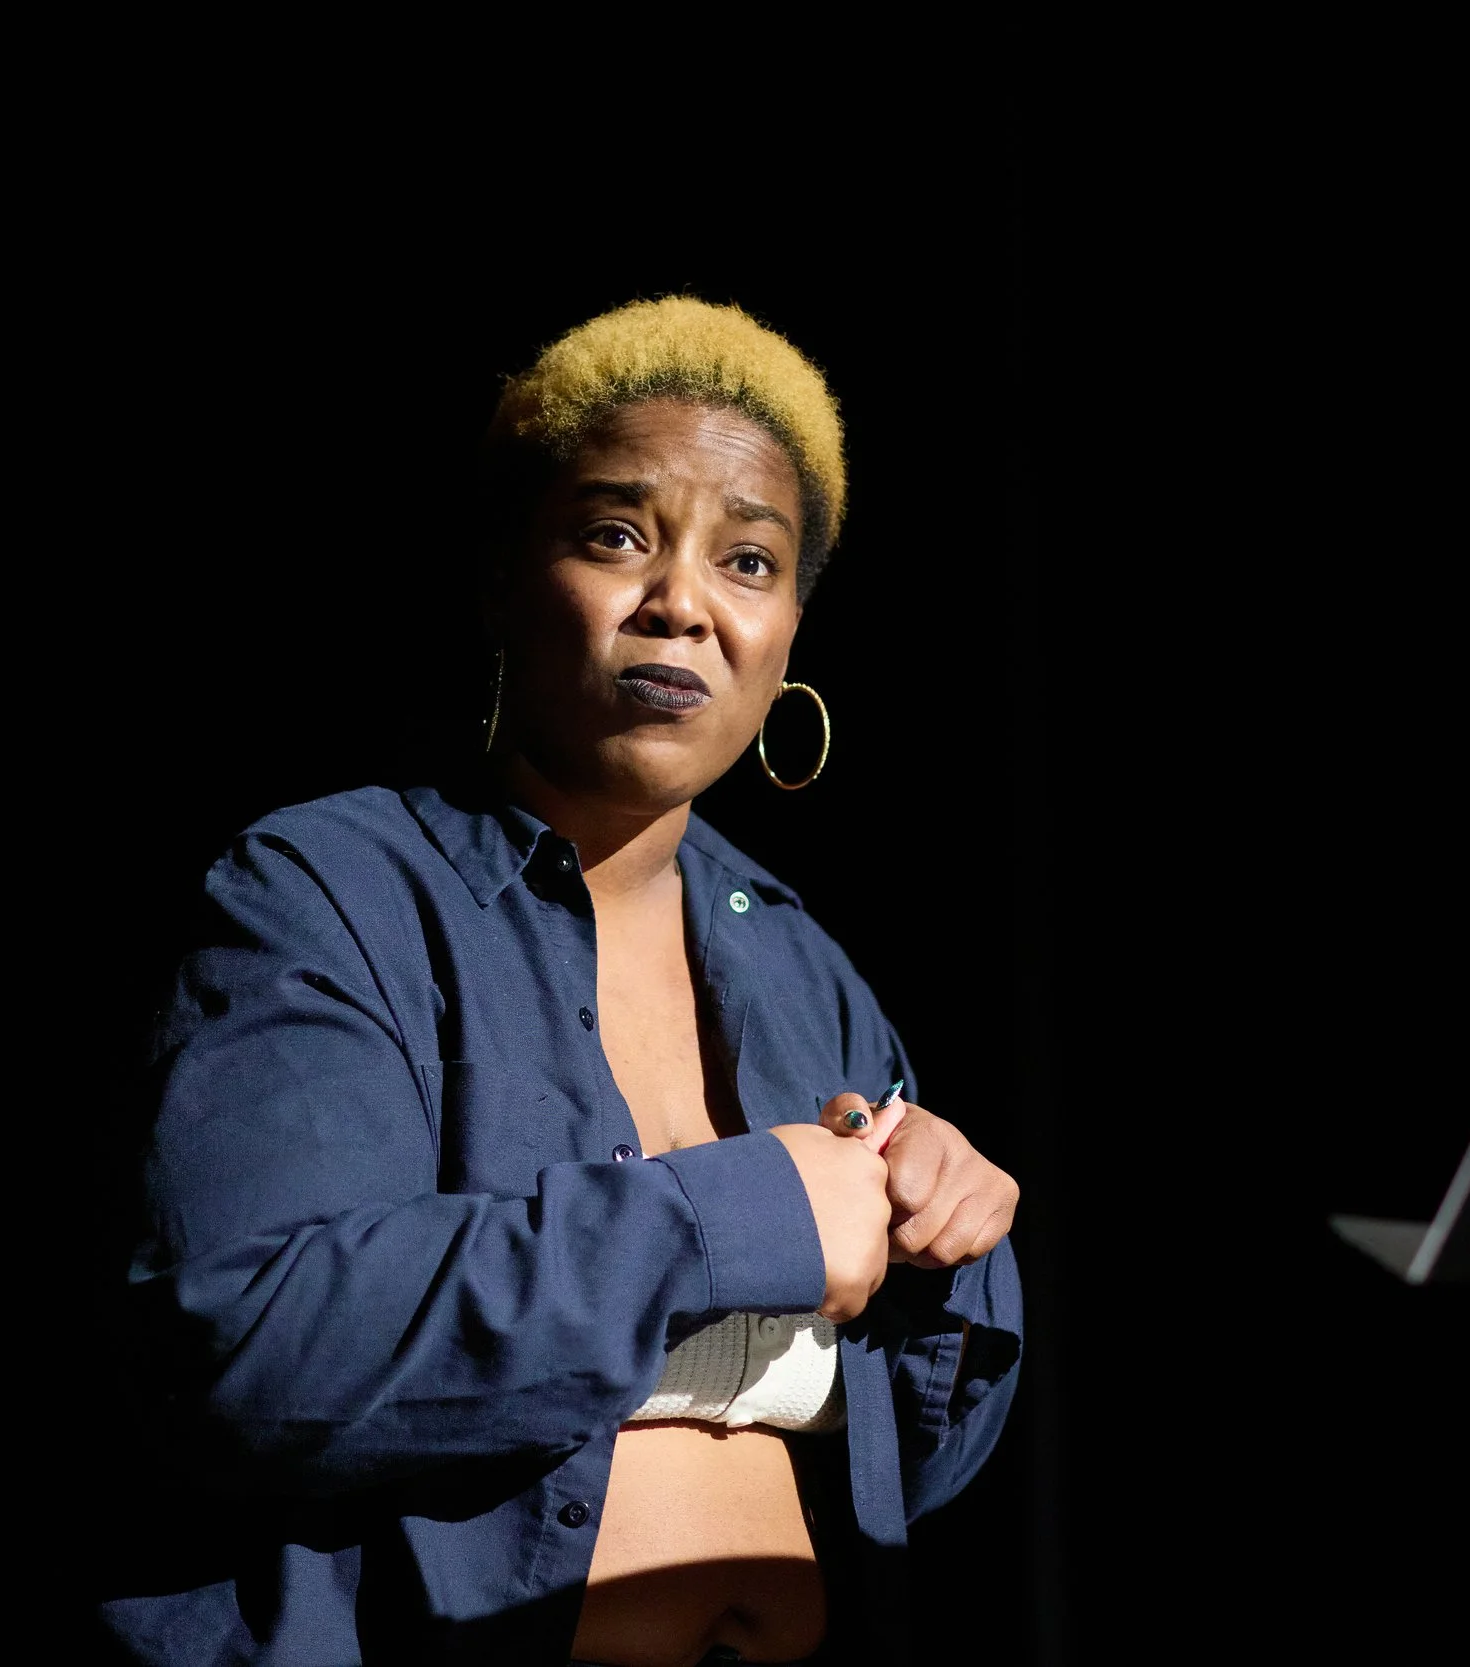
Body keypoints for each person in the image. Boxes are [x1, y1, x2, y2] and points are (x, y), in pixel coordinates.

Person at [101, 297, 1024, 1666]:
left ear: (789, 642)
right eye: (616, 536)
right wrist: (740, 1212)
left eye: (750, 561)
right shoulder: (330, 892)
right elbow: (249, 1345)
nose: (685, 604)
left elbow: (919, 1471)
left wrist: (949, 1246)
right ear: (503, 580)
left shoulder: (806, 969)